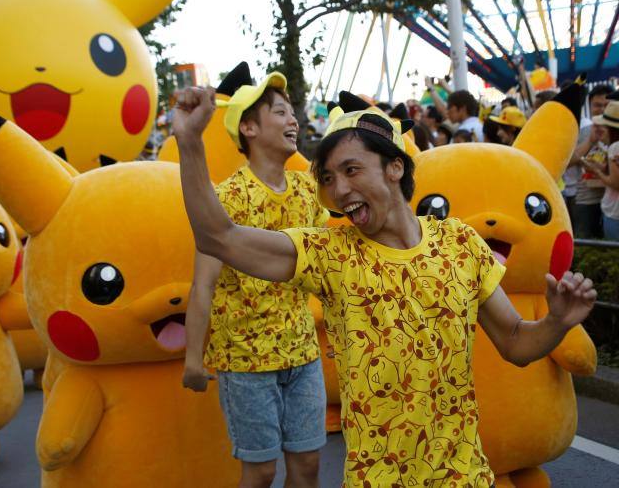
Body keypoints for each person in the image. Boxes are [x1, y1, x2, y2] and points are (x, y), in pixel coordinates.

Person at [172, 87, 597, 488]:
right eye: (328, 179)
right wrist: (190, 143)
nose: (338, 190)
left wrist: (557, 322)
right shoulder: (329, 254)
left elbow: (516, 342)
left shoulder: (460, 243)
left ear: (395, 166)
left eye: (351, 170)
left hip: (464, 476)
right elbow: (219, 237)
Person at [181, 73, 329, 488]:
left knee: (307, 466)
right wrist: (194, 359)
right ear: (248, 127)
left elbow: (326, 269)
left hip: (303, 356)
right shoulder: (226, 198)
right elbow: (203, 284)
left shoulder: (308, 191)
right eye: (280, 112)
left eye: (293, 112)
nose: (294, 120)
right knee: (261, 472)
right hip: (245, 361)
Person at [569, 84, 614, 238]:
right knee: (586, 245)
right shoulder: (583, 130)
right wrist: (590, 141)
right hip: (586, 199)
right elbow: (569, 161)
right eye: (597, 105)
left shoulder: (616, 129)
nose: (601, 109)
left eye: (606, 105)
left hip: (611, 201)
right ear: (589, 105)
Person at [581, 100, 619, 240]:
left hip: (614, 212)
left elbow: (615, 183)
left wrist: (596, 172)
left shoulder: (615, 147)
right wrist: (602, 168)